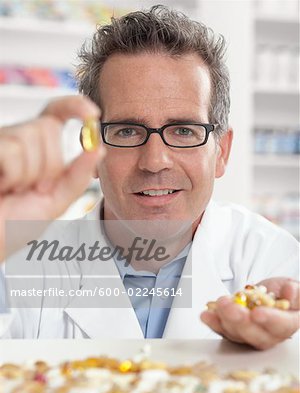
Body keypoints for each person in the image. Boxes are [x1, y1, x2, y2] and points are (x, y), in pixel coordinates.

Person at [0, 6, 299, 346]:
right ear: (91, 147)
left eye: (184, 130)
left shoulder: (271, 262)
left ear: (222, 152)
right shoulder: (22, 262)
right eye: (127, 131)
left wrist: (281, 363)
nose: (155, 161)